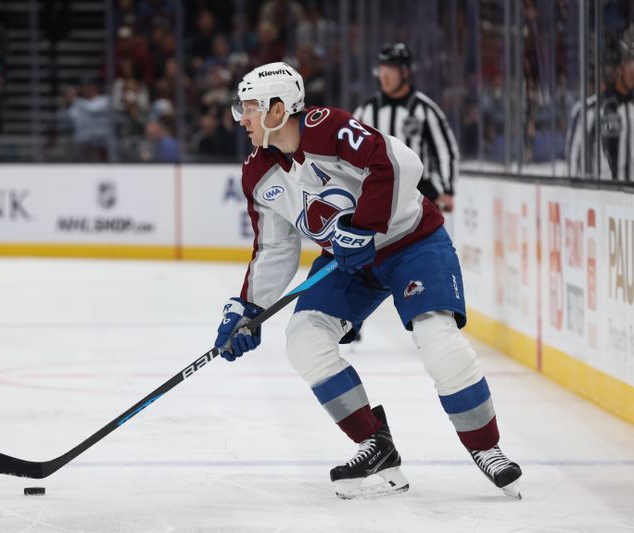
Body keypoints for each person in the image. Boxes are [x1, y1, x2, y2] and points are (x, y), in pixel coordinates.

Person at [215, 62, 522, 500]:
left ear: (278, 109)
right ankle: (375, 444)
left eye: (249, 108)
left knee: (438, 339)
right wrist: (249, 308)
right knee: (304, 339)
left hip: (412, 243)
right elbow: (276, 248)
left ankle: (486, 447)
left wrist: (364, 226)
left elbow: (400, 162)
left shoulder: (329, 128)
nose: (241, 119)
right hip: (346, 261)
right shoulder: (258, 174)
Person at [353, 43, 459, 213]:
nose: (384, 76)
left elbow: (444, 149)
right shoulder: (365, 111)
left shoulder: (424, 109)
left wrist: (447, 189)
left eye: (391, 70)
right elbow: (350, 150)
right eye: (381, 70)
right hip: (377, 191)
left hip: (419, 191)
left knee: (424, 239)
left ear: (405, 72)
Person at [566, 42, 634, 181]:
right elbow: (573, 158)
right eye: (630, 65)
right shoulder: (590, 110)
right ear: (618, 70)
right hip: (603, 197)